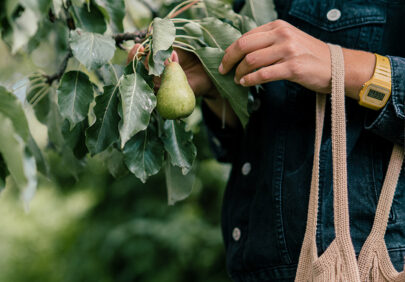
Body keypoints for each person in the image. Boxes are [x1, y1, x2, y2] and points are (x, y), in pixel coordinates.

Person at [133, 0, 405, 281]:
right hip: (253, 263)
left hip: (364, 265)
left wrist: (340, 65)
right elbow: (256, 142)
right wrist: (218, 90)